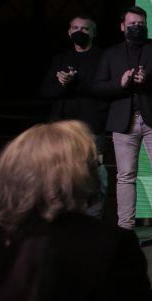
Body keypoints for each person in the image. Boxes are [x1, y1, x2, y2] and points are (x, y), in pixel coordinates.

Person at [0, 121, 152, 301]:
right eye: (95, 163)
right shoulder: (112, 244)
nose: (99, 168)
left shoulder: (6, 241)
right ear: (81, 172)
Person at [93, 6, 152, 243]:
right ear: (123, 26)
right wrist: (120, 84)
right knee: (125, 176)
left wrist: (150, 79)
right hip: (123, 122)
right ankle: (125, 228)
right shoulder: (110, 54)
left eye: (141, 23)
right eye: (132, 24)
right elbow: (99, 87)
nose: (137, 27)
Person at [39, 15, 108, 218]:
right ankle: (60, 220)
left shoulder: (103, 57)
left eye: (85, 29)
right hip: (61, 129)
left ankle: (91, 222)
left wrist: (75, 82)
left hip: (90, 128)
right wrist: (62, 83)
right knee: (57, 175)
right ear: (69, 32)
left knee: (91, 175)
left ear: (93, 33)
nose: (80, 32)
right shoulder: (60, 59)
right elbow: (45, 91)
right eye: (75, 28)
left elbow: (104, 89)